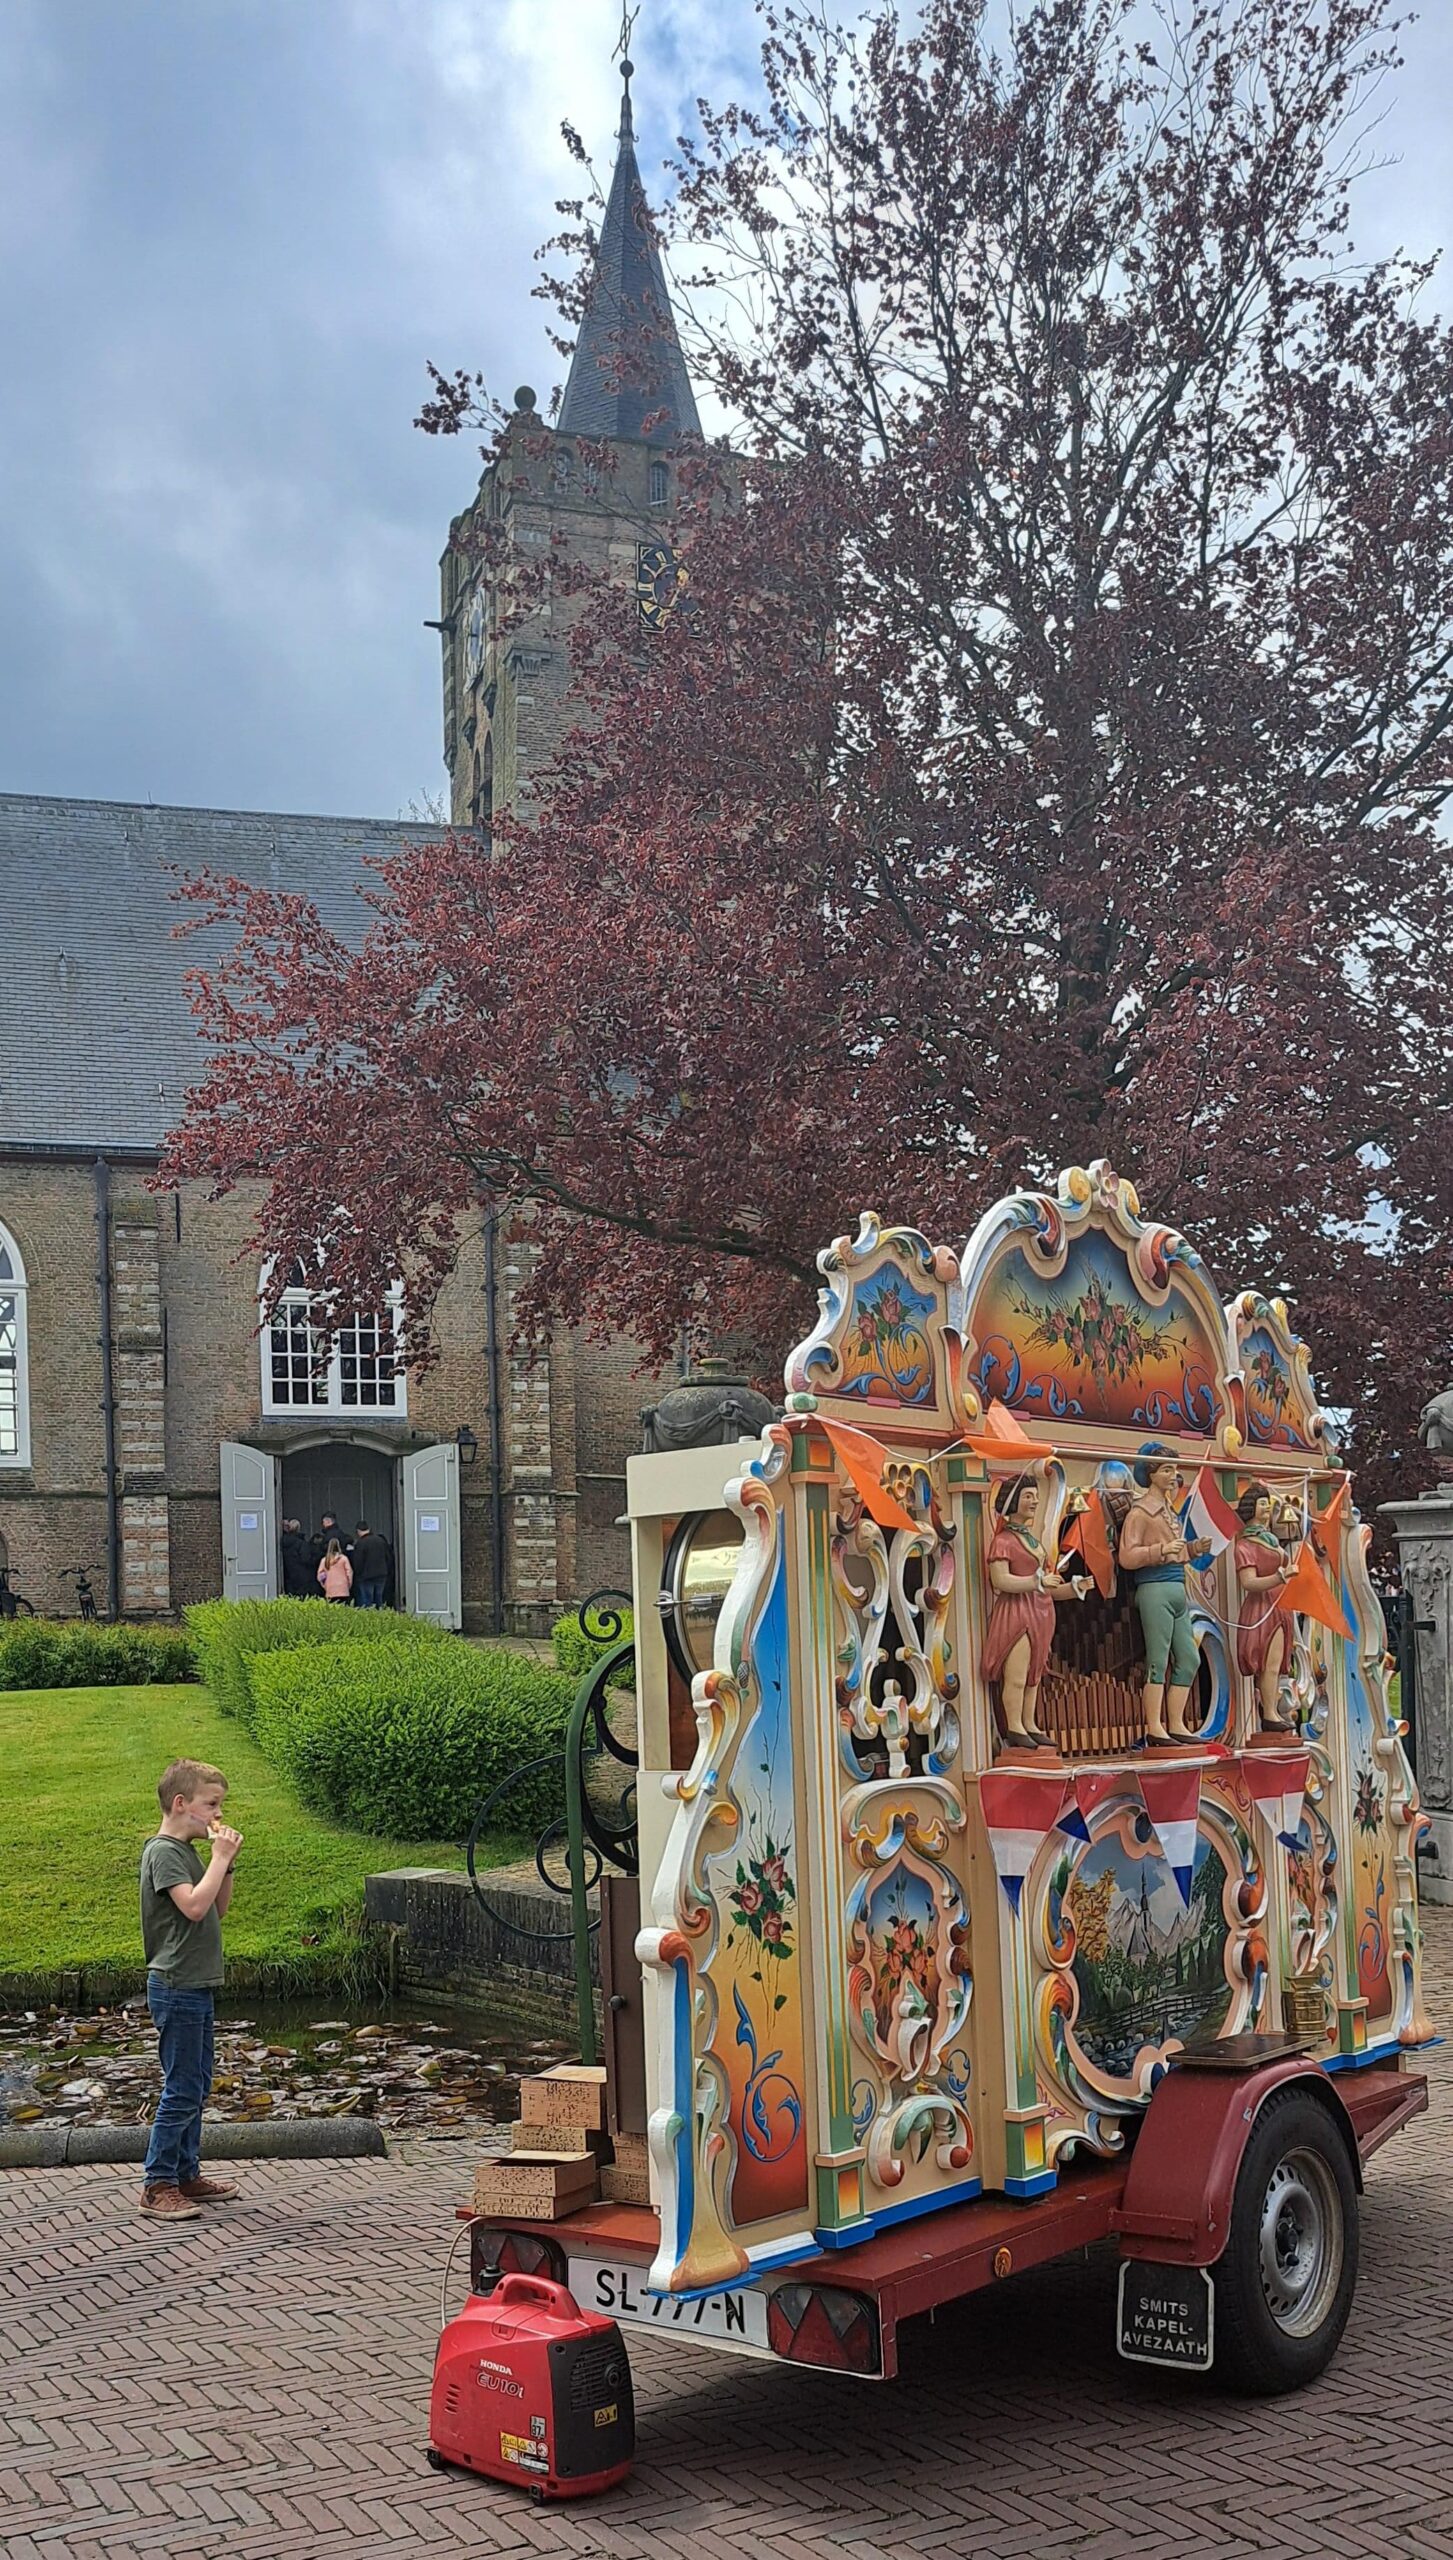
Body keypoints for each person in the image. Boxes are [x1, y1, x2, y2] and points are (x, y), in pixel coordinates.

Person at [138, 1758, 243, 2221]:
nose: (218, 1813)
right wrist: (218, 1858)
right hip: (175, 1983)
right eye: (211, 1804)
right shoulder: (162, 1852)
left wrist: (228, 1864)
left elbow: (218, 1908)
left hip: (197, 1984)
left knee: (197, 2083)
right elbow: (194, 1908)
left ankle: (186, 2172)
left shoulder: (192, 1851)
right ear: (181, 1804)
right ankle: (157, 2183)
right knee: (180, 2087)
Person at [981, 1471, 1088, 1750]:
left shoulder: (1033, 1540)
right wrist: (1035, 1581)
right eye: (1028, 1496)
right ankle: (1014, 1725)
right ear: (1013, 1501)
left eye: (1036, 1496)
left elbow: (1048, 1586)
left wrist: (1075, 1587)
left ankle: (1029, 1723)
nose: (1035, 1501)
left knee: (1034, 1674)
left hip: (1041, 1612)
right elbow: (1000, 1579)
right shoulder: (1004, 1540)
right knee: (1016, 1673)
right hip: (1017, 1612)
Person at [1118, 1441, 1214, 1746]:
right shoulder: (1141, 1512)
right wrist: (1160, 1550)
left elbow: (1178, 1552)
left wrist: (1192, 1549)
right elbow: (1127, 1557)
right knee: (1158, 1661)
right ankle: (1154, 1727)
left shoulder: (1170, 1512)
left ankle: (1177, 1724)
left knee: (1189, 1658)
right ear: (1152, 1473)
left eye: (1175, 1469)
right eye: (1168, 1469)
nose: (1174, 1475)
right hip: (1155, 1588)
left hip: (1176, 1589)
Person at [1234, 1480, 1298, 1732]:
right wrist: (1280, 1577)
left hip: (1280, 1605)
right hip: (1262, 1607)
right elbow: (1248, 1582)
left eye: (1268, 1504)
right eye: (1262, 1504)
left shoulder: (1271, 1540)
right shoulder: (1245, 1544)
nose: (1266, 1508)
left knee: (1278, 1662)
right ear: (1251, 1508)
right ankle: (1269, 1713)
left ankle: (1272, 1710)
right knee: (1268, 1663)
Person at [351, 1519, 392, 1608]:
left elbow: (358, 1562)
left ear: (358, 1531)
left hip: (366, 1576)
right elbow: (388, 1557)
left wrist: (358, 1574)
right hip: (381, 1574)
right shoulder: (380, 1541)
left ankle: (370, 1618)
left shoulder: (361, 1543)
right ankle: (379, 1616)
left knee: (367, 1600)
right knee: (379, 1598)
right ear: (369, 1529)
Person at [280, 1516, 311, 1599]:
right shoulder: (301, 1543)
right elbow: (306, 1559)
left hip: (287, 1574)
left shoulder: (282, 1541)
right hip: (301, 1575)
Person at [307, 1512, 340, 1588]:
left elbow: (322, 1550)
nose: (323, 1524)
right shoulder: (339, 1533)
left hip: (329, 1567)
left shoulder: (329, 1535)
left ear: (328, 1522)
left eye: (323, 1522)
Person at [318, 1537, 353, 1602]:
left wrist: (324, 1585)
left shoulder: (324, 1560)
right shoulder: (344, 1559)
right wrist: (349, 1584)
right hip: (343, 1588)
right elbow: (349, 1573)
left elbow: (320, 1575)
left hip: (330, 1588)